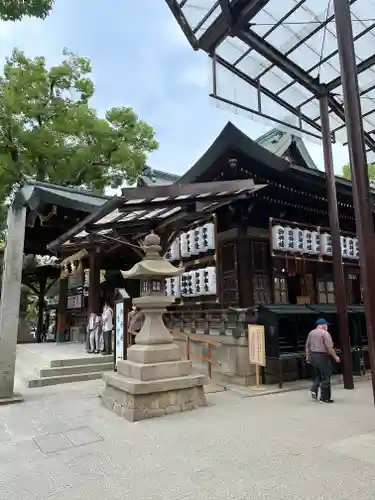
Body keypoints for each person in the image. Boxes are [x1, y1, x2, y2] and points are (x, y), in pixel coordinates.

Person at [305, 318, 340, 403]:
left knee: (318, 375)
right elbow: (329, 347)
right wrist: (335, 356)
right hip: (322, 356)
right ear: (322, 325)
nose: (326, 326)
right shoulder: (325, 333)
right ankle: (324, 398)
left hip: (313, 356)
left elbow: (307, 346)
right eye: (326, 325)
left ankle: (314, 389)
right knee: (326, 376)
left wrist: (307, 357)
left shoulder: (311, 333)